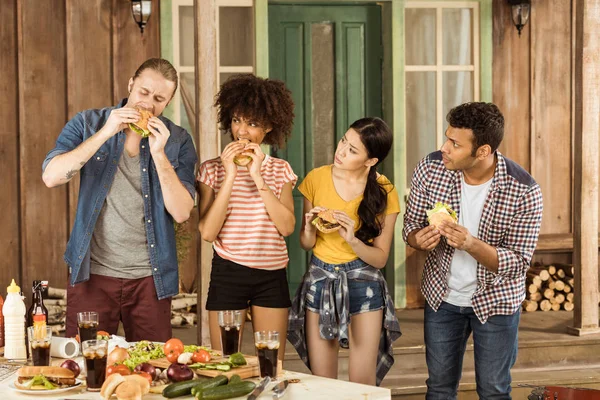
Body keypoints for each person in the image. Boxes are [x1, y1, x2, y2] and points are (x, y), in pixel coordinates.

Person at [42, 58, 197, 342]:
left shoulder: (177, 141)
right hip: (92, 276)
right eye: (143, 92)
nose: (148, 104)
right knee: (87, 364)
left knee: (154, 369)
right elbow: (52, 177)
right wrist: (106, 133)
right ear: (130, 85)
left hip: (151, 280)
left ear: (168, 102)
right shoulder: (90, 123)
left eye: (159, 99)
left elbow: (182, 212)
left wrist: (159, 154)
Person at [403, 102, 543, 399]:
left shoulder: (524, 190)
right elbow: (410, 227)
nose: (444, 147)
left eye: (454, 144)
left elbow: (517, 263)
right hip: (443, 296)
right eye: (446, 137)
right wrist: (418, 239)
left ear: (483, 151)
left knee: (493, 390)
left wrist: (470, 244)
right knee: (439, 388)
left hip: (496, 301)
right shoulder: (430, 168)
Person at [288, 117, 402, 386]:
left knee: (362, 383)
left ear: (371, 160)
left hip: (364, 282)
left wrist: (352, 240)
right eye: (343, 142)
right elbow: (306, 244)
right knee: (323, 383)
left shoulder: (385, 190)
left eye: (352, 150)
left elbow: (380, 257)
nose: (341, 152)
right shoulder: (316, 178)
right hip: (319, 279)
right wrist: (308, 227)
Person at [197, 74, 296, 359]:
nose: (241, 131)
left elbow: (287, 226)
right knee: (227, 364)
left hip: (271, 275)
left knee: (270, 364)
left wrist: (256, 175)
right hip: (228, 272)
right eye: (237, 120)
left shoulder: (280, 170)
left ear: (268, 127)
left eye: (252, 124)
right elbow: (207, 233)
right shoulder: (211, 170)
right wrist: (229, 177)